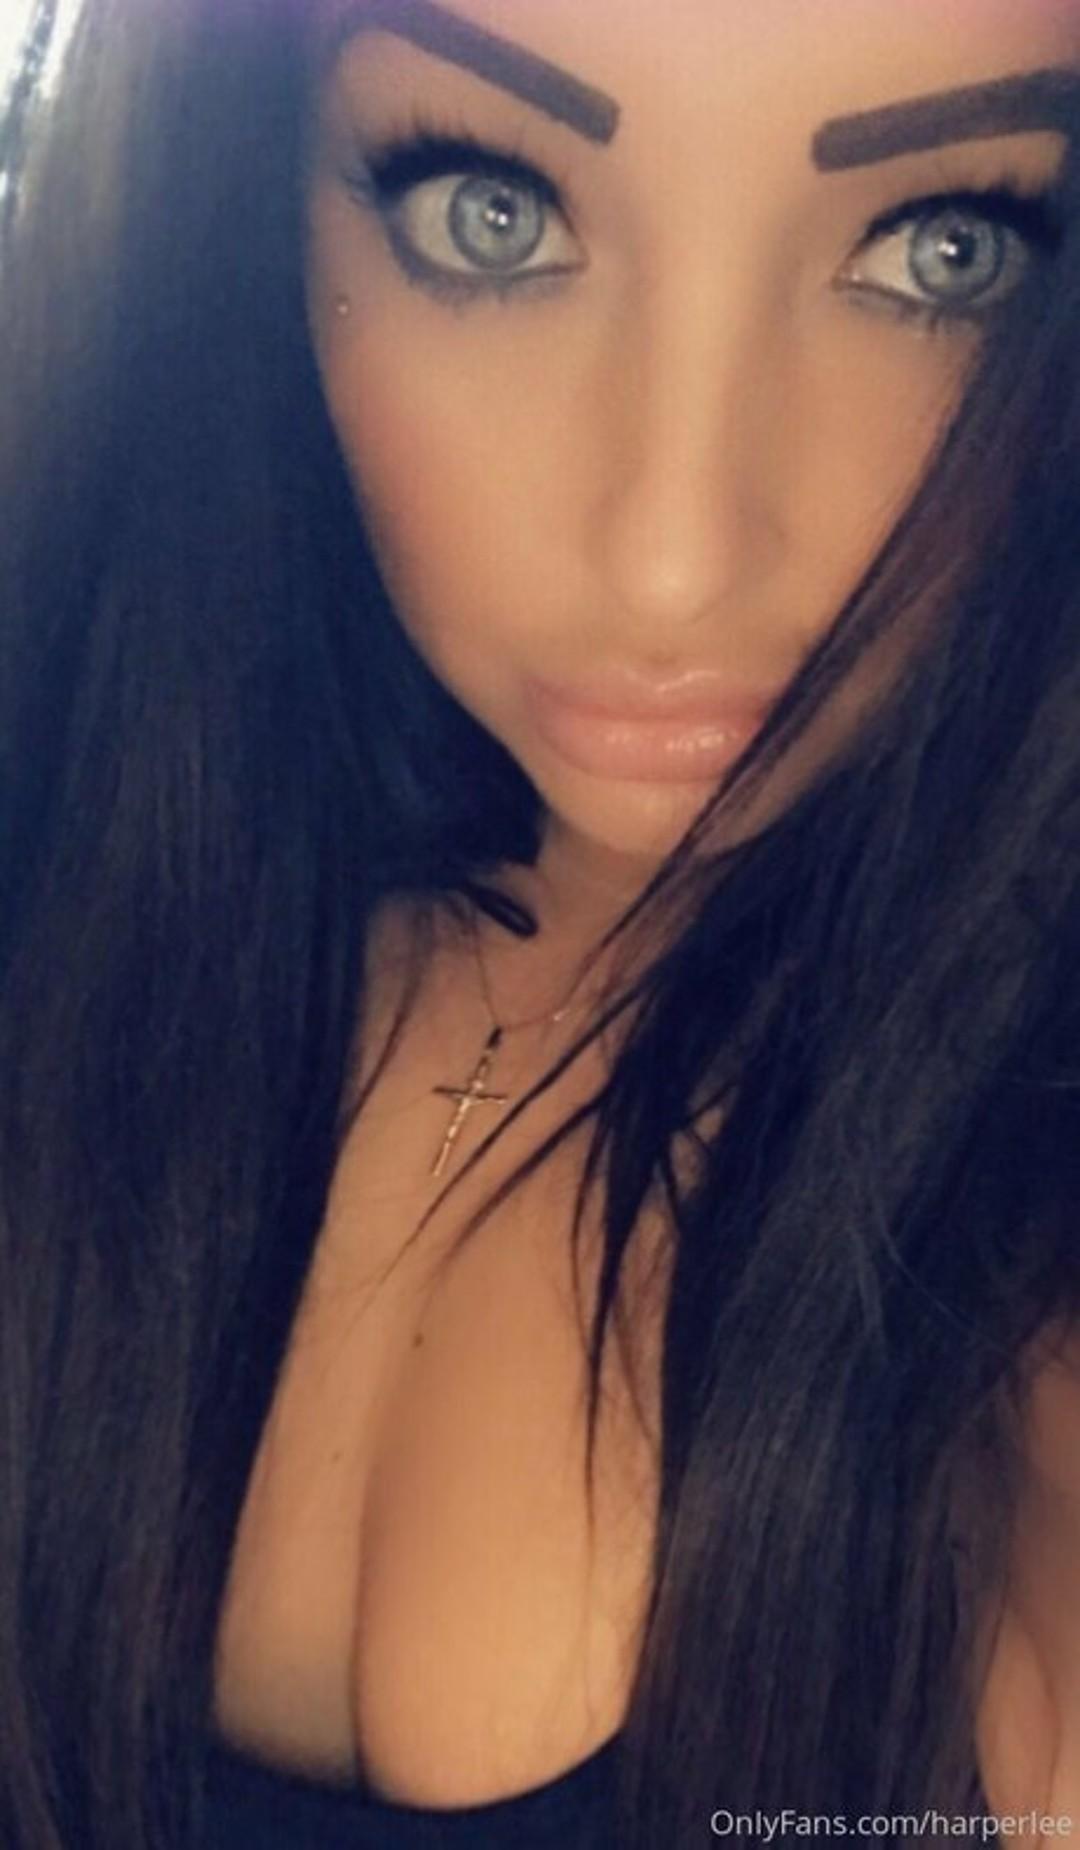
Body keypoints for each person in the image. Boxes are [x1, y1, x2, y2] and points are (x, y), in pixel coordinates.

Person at [2, 0, 1080, 1843]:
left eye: (944, 249)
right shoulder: (84, 913)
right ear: (243, 203)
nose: (675, 555)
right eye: (487, 210)